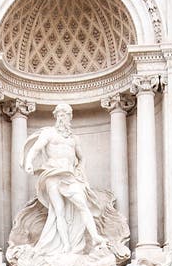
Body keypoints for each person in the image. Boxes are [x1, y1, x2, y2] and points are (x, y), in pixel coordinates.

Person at [21, 103, 112, 255]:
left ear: (70, 117)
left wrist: (80, 170)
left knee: (82, 204)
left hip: (70, 176)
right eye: (61, 114)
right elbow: (35, 149)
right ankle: (66, 246)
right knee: (59, 211)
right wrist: (29, 162)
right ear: (56, 116)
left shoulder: (74, 139)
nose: (64, 117)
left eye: (67, 114)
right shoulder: (49, 133)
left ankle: (95, 236)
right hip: (52, 174)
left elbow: (82, 158)